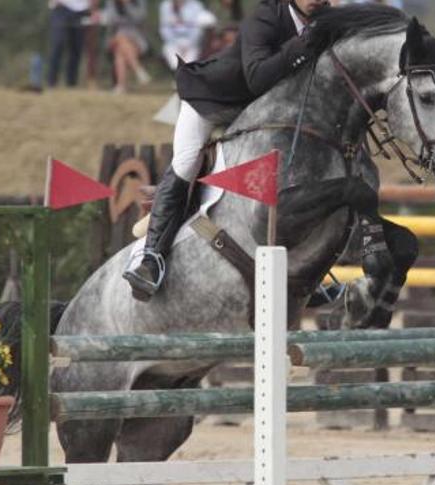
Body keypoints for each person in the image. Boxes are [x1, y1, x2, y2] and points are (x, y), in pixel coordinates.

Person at [124, 0, 327, 300]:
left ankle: (305, 272)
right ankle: (152, 259)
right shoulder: (266, 18)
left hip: (257, 114)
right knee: (187, 162)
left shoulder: (325, 21)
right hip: (211, 101)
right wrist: (301, 45)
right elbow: (258, 77)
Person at [47, 0, 98, 87]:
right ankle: (52, 82)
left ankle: (71, 83)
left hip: (82, 11)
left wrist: (94, 10)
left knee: (76, 48)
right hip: (61, 8)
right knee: (58, 44)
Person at [105, 0, 152, 93]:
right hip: (118, 36)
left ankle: (121, 86)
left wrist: (127, 5)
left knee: (120, 49)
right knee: (121, 43)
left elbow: (140, 18)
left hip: (137, 37)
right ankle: (138, 70)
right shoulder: (111, 2)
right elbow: (111, 20)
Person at [159, 0, 217, 71]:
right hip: (173, 42)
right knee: (170, 52)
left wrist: (190, 43)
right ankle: (178, 74)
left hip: (191, 42)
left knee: (190, 59)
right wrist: (174, 42)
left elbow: (198, 28)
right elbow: (164, 28)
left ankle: (186, 74)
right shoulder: (166, 5)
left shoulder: (196, 5)